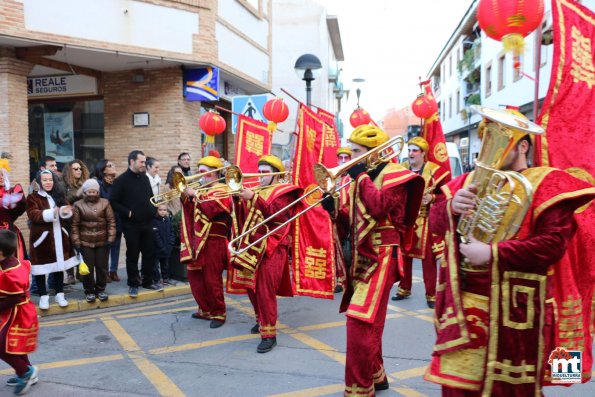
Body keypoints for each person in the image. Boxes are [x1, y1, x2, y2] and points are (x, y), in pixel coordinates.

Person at [424, 107, 595, 396]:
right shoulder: (469, 182)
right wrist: (451, 209)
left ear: (523, 146)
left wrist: (492, 253)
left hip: (520, 311)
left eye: (497, 140)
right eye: (484, 140)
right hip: (464, 309)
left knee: (515, 391)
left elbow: (551, 246)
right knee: (456, 389)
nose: (487, 149)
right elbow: (434, 223)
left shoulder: (548, 182)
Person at [323, 125, 424, 395]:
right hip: (362, 254)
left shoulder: (397, 176)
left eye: (356, 152)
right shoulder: (360, 178)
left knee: (359, 320)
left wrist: (362, 178)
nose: (349, 159)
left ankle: (358, 388)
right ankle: (376, 374)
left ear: (373, 153)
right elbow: (349, 223)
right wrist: (333, 209)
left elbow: (379, 207)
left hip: (384, 254)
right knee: (371, 320)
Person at [235, 155, 300, 353]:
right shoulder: (258, 190)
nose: (260, 177)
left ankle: (269, 334)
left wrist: (253, 198)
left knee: (265, 289)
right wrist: (237, 200)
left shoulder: (284, 191)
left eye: (265, 173)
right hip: (253, 244)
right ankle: (261, 320)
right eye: (259, 172)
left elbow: (277, 215)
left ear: (276, 176)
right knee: (250, 287)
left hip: (274, 245)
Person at [392, 137, 450, 308]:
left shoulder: (435, 172)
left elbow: (447, 194)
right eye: (409, 150)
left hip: (426, 221)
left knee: (428, 260)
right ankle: (404, 288)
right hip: (405, 220)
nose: (410, 153)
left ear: (423, 154)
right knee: (404, 256)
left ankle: (431, 294)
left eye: (415, 150)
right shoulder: (401, 169)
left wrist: (432, 197)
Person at [181, 154, 231, 329]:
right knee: (195, 277)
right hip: (197, 240)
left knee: (212, 279)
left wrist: (195, 194)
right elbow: (189, 212)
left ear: (215, 174)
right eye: (199, 172)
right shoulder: (201, 190)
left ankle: (219, 312)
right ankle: (205, 308)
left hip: (214, 241)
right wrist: (185, 196)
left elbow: (214, 209)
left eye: (204, 173)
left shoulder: (223, 190)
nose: (200, 176)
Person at [109, 150, 160, 298]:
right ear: (132, 162)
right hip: (131, 225)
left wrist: (154, 209)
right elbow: (113, 201)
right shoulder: (121, 180)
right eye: (141, 162)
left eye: (144, 162)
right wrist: (128, 213)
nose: (144, 164)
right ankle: (133, 283)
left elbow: (150, 197)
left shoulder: (144, 178)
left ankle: (147, 281)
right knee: (132, 254)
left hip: (148, 222)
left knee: (149, 252)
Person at [26, 170, 79, 309]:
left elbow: (66, 210)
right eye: (45, 180)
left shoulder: (58, 195)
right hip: (42, 239)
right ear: (39, 182)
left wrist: (66, 212)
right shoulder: (33, 197)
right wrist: (54, 212)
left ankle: (59, 294)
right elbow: (33, 214)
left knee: (58, 267)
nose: (48, 182)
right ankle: (43, 296)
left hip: (59, 237)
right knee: (40, 268)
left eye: (50, 180)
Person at [0, 230, 39, 395]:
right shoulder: (8, 262)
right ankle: (26, 369)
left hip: (17, 313)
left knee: (2, 346)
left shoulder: (10, 273)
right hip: (15, 310)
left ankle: (25, 372)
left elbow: (14, 298)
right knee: (15, 344)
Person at [71, 179, 116, 303]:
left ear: (98, 191)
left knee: (102, 267)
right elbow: (74, 225)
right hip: (85, 242)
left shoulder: (105, 203)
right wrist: (76, 242)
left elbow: (111, 222)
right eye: (89, 191)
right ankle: (89, 291)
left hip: (102, 241)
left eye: (94, 191)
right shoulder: (78, 205)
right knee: (88, 269)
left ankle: (101, 289)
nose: (92, 193)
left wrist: (110, 238)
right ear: (85, 192)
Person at [61, 159, 90, 285]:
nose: (79, 171)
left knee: (82, 246)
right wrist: (78, 194)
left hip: (83, 221)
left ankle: (81, 271)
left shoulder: (84, 183)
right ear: (69, 171)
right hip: (68, 222)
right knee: (68, 248)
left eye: (80, 168)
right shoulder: (63, 185)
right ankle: (70, 274)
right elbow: (63, 200)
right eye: (75, 169)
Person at [93, 159, 122, 282]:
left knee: (116, 246)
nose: (113, 166)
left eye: (113, 164)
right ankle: (103, 272)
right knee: (105, 248)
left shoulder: (117, 183)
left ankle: (113, 271)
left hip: (117, 218)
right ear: (103, 169)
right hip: (104, 221)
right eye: (110, 165)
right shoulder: (97, 184)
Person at [0, 155, 27, 260]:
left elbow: (19, 209)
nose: (1, 177)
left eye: (3, 174)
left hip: (9, 233)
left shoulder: (11, 191)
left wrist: (12, 201)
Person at [152, 203, 176, 286]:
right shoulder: (154, 221)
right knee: (155, 265)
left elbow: (172, 231)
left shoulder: (167, 220)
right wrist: (161, 246)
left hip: (167, 247)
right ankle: (156, 279)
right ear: (157, 210)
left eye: (164, 210)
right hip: (158, 248)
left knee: (165, 264)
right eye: (160, 210)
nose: (162, 212)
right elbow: (156, 235)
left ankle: (165, 278)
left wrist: (171, 243)